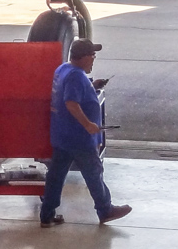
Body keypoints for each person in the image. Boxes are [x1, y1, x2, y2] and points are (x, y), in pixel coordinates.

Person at [40, 39, 131, 228]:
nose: (94, 59)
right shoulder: (76, 77)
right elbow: (71, 103)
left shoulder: (64, 69)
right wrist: (88, 124)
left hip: (62, 135)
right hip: (78, 138)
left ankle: (47, 214)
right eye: (92, 55)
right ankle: (105, 210)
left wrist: (92, 85)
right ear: (82, 57)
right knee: (93, 173)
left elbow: (72, 92)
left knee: (56, 176)